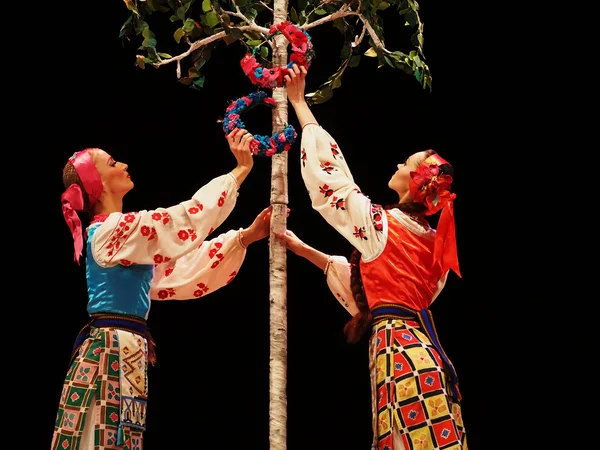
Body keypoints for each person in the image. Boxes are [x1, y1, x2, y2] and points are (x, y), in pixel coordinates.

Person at [280, 64, 468, 450]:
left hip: (400, 350)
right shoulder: (437, 246)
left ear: (416, 182)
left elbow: (330, 177)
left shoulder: (382, 225)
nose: (399, 165)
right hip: (418, 349)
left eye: (406, 163)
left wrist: (299, 103)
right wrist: (301, 249)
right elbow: (373, 284)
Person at [52, 128, 272, 450]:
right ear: (97, 185)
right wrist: (239, 171)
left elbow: (176, 273)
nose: (123, 164)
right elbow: (180, 222)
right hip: (112, 347)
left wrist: (244, 237)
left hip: (125, 347)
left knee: (116, 438)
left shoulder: (122, 240)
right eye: (112, 162)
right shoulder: (110, 231)